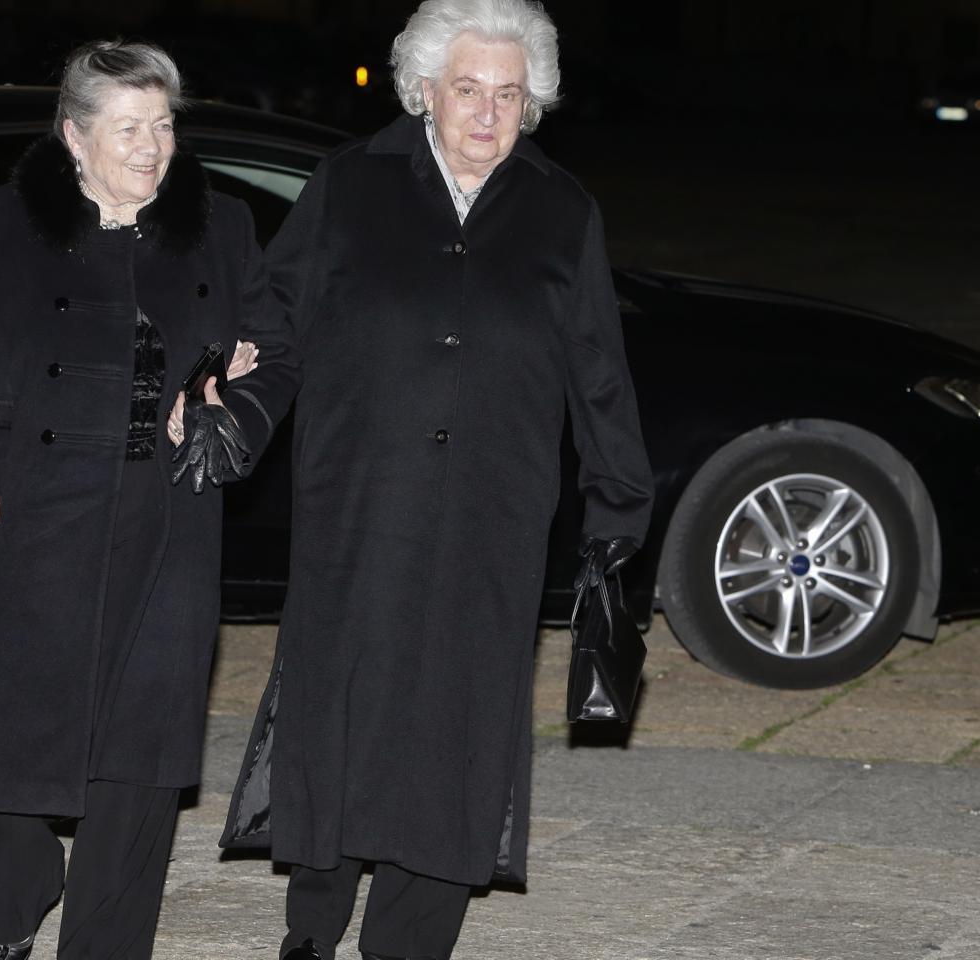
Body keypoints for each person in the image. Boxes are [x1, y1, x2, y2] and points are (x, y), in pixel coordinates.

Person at [219, 1, 655, 957]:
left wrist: (617, 512)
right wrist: (223, 390)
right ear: (424, 91)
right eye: (469, 91)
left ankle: (410, 941)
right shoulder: (349, 184)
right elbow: (273, 317)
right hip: (359, 505)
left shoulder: (560, 208)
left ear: (532, 104)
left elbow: (598, 369)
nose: (489, 115)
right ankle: (313, 929)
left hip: (493, 517)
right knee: (340, 709)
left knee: (457, 723)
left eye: (510, 94)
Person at [0, 39, 278, 960]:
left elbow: (274, 348)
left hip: (167, 520)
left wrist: (235, 414)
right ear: (74, 136)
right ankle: (20, 879)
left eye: (164, 125)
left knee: (138, 772)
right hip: (25, 513)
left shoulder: (219, 228)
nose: (152, 147)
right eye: (127, 128)